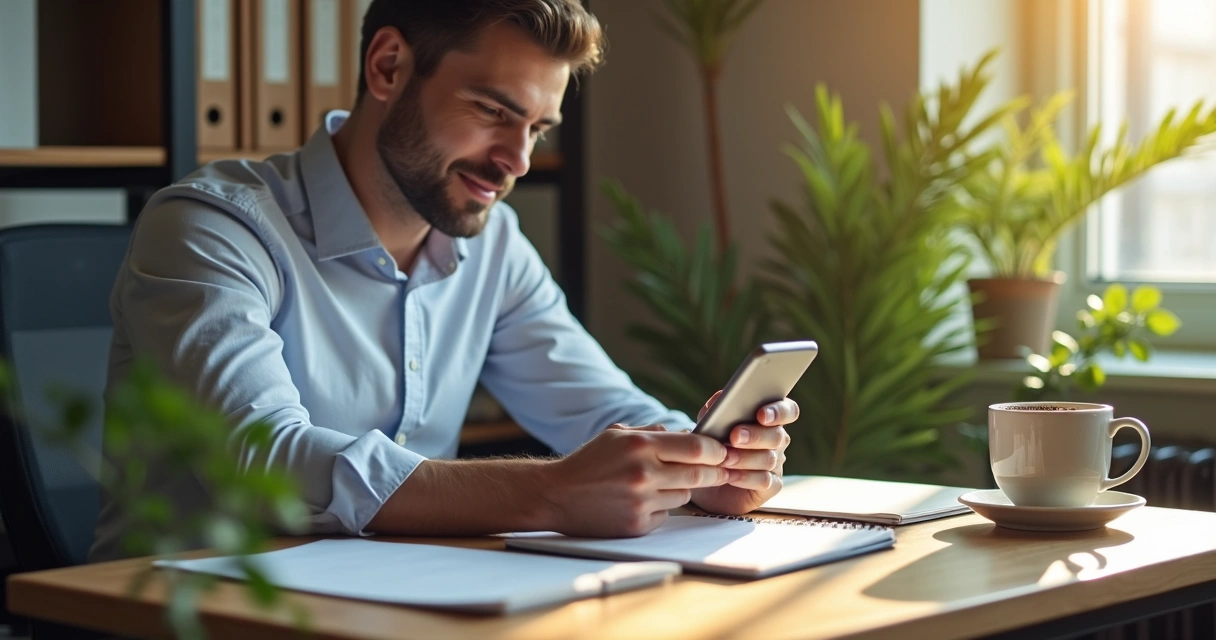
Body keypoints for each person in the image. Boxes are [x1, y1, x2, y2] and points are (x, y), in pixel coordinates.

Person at [89, 0, 798, 561]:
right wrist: (548, 493)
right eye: (493, 112)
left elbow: (602, 408)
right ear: (389, 67)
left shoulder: (492, 246)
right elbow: (261, 456)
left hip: (383, 606)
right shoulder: (212, 229)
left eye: (538, 129)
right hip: (181, 611)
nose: (515, 160)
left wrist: (709, 466)